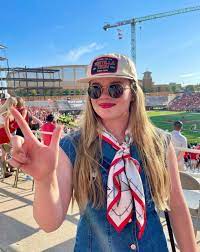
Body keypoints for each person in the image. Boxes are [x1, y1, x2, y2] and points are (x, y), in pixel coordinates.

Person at [9, 54, 197, 251]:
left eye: (115, 88)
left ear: (133, 92)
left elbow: (176, 206)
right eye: (95, 89)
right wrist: (44, 180)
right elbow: (49, 224)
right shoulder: (72, 146)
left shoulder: (161, 142)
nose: (104, 96)